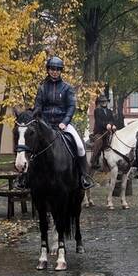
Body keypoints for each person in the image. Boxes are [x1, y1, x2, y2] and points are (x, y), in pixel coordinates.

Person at [32, 56, 93, 189]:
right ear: (48, 70)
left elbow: (71, 107)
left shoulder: (67, 88)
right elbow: (38, 106)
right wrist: (37, 117)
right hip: (45, 125)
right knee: (30, 144)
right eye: (52, 69)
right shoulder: (42, 88)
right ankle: (25, 177)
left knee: (80, 146)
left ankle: (84, 176)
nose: (55, 71)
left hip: (62, 124)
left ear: (61, 71)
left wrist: (65, 122)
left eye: (58, 69)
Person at [89, 94, 119, 170]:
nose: (104, 103)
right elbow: (99, 122)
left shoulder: (110, 111)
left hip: (109, 132)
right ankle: (94, 161)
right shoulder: (97, 111)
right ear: (100, 103)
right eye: (102, 101)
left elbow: (112, 120)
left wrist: (112, 125)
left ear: (107, 102)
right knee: (99, 142)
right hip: (99, 132)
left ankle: (114, 161)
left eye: (105, 101)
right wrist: (107, 125)